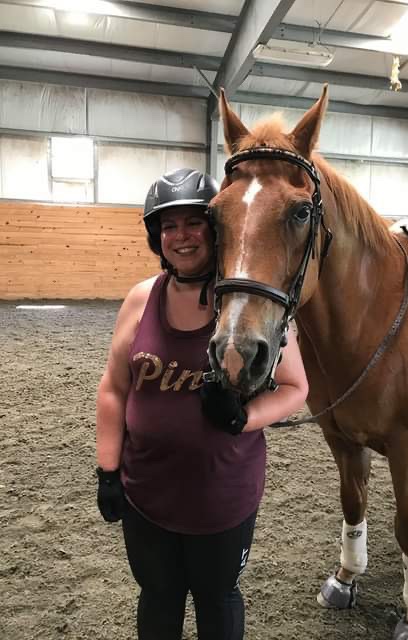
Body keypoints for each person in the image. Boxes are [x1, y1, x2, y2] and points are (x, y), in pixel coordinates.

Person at [95, 167, 309, 640]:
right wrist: (107, 471)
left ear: (215, 230)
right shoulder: (140, 300)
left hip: (222, 497)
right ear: (157, 237)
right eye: (169, 226)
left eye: (194, 223)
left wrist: (244, 417)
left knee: (217, 598)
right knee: (157, 597)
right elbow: (114, 388)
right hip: (147, 493)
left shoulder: (251, 303)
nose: (181, 236)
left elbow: (296, 388)